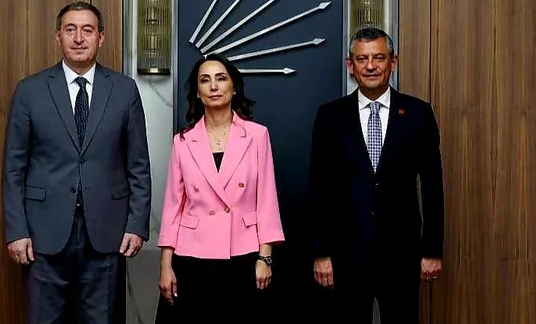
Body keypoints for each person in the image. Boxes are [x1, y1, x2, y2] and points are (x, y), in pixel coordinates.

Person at [2, 1, 152, 324]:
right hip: (42, 235)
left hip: (107, 234)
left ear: (101, 37)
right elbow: (13, 168)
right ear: (58, 36)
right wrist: (16, 231)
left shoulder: (124, 90)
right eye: (71, 30)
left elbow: (138, 165)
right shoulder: (30, 91)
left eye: (88, 30)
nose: (79, 38)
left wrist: (136, 224)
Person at [309, 27, 445, 324]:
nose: (370, 66)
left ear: (393, 62)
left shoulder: (418, 113)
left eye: (379, 58)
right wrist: (321, 253)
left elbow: (433, 187)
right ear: (350, 65)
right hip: (345, 256)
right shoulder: (330, 116)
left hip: (402, 255)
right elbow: (320, 189)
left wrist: (432, 250)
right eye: (362, 59)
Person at [156, 53, 285, 324]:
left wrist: (265, 258)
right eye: (205, 80)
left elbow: (267, 201)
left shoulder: (257, 135)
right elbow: (172, 207)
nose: (214, 86)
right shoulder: (183, 141)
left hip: (243, 252)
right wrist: (165, 265)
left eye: (221, 78)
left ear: (234, 87)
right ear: (198, 92)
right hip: (191, 255)